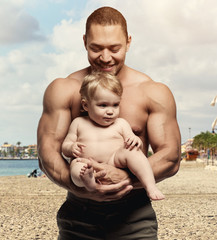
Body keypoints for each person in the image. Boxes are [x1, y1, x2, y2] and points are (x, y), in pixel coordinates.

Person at [37, 6, 181, 239]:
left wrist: (126, 179)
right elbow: (47, 155)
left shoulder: (153, 92)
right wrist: (80, 186)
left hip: (134, 216)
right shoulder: (63, 89)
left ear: (128, 42)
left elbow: (171, 157)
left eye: (114, 48)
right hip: (78, 215)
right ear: (85, 42)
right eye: (96, 48)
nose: (105, 58)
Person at [62, 71, 165, 201]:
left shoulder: (121, 123)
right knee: (76, 168)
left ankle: (150, 186)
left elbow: (134, 141)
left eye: (115, 105)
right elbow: (65, 146)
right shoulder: (78, 123)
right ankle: (89, 182)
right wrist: (71, 147)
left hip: (114, 159)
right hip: (86, 161)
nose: (110, 111)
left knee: (133, 152)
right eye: (103, 105)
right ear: (86, 105)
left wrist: (135, 140)